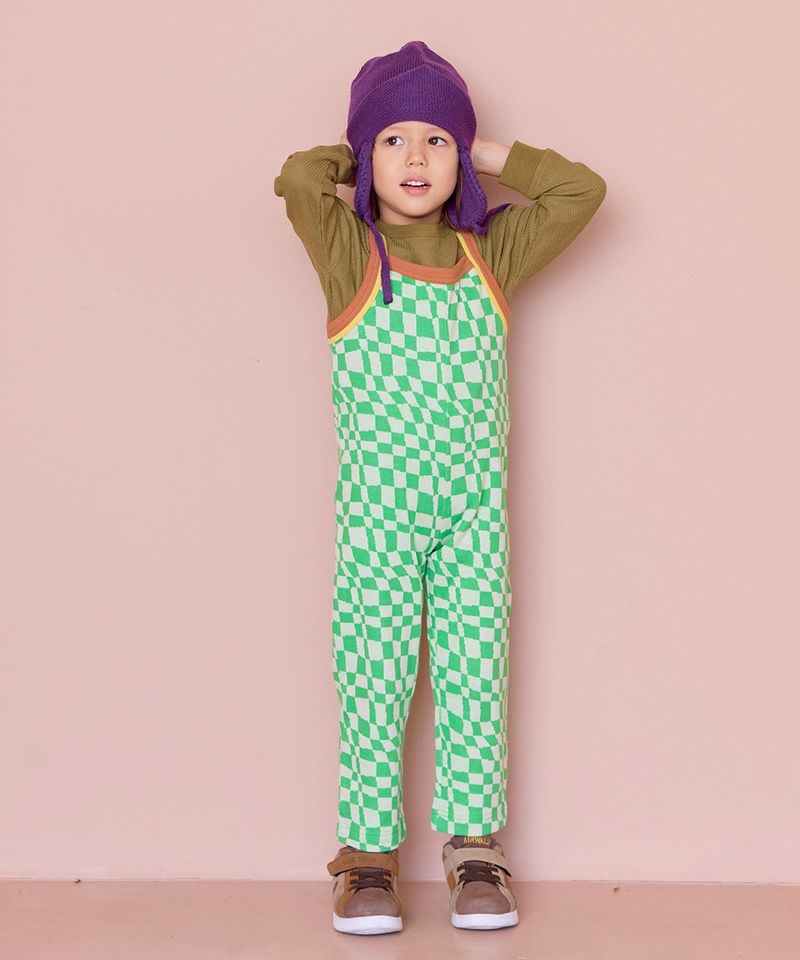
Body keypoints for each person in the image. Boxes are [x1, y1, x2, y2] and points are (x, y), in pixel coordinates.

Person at [274, 40, 607, 936]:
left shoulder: (490, 252)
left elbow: (581, 192)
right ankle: (367, 858)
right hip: (378, 519)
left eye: (436, 140)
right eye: (393, 141)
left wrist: (485, 150)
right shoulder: (350, 252)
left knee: (475, 674)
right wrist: (357, 147)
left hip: (474, 519)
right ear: (365, 157)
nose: (415, 158)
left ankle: (475, 849)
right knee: (372, 675)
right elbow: (299, 180)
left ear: (462, 156)